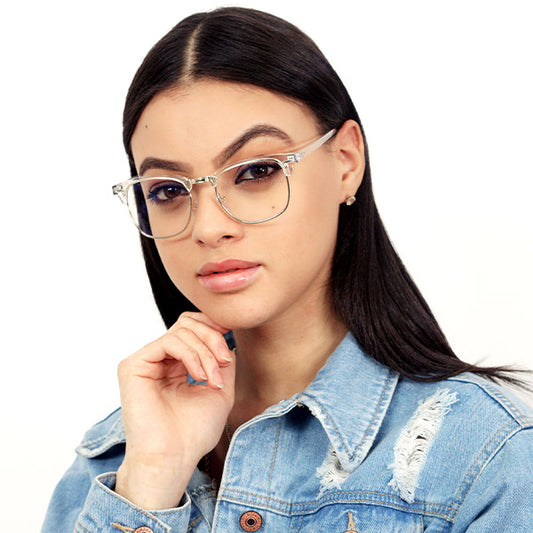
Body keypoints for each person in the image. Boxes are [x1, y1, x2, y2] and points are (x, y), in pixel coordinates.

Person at [42, 6, 533, 532]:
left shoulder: (486, 458)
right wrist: (152, 479)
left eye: (256, 171)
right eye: (167, 190)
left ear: (346, 161)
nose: (208, 227)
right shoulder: (117, 466)